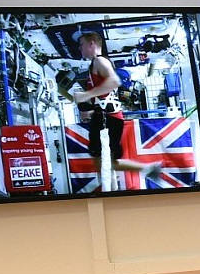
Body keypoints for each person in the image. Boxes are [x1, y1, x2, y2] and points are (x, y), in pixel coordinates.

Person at [67, 31, 159, 186]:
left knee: (102, 163)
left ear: (92, 44)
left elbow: (114, 81)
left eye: (82, 44)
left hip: (108, 120)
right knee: (106, 163)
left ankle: (144, 170)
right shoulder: (95, 65)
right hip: (107, 117)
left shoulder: (99, 61)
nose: (80, 49)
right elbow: (106, 96)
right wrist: (91, 110)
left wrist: (86, 95)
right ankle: (145, 170)